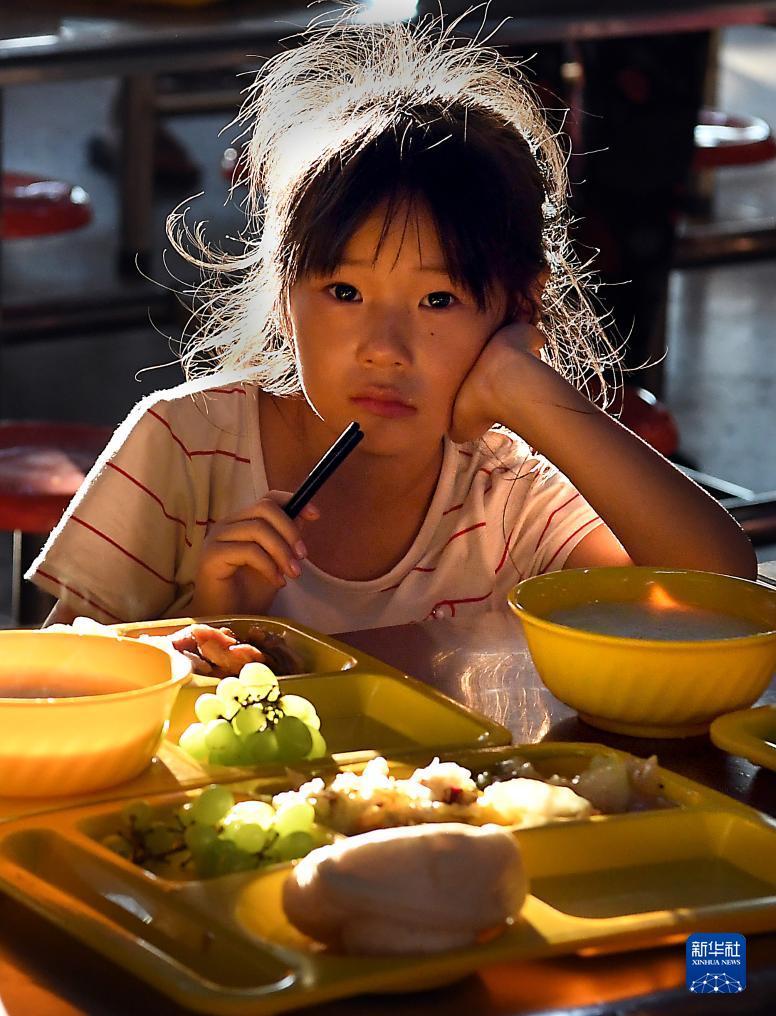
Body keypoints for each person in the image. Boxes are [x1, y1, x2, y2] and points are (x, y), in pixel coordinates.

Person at [31, 15, 755, 634]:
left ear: (518, 305)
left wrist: (527, 389)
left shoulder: (503, 493)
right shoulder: (184, 447)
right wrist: (210, 626)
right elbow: (55, 686)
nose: (385, 349)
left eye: (438, 300)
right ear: (284, 295)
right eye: (345, 291)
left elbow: (718, 594)